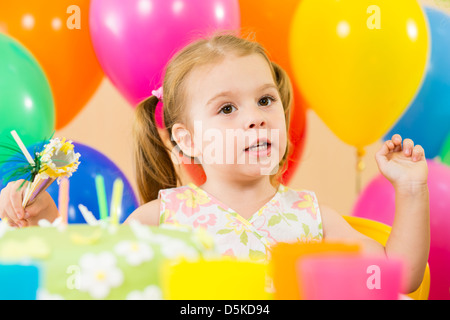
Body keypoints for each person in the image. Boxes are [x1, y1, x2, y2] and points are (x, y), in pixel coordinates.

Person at [0, 33, 429, 293]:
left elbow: (400, 278)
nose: (257, 116)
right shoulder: (162, 218)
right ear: (186, 142)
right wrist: (45, 221)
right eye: (227, 109)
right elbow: (93, 273)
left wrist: (410, 191)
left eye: (265, 100)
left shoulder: (312, 218)